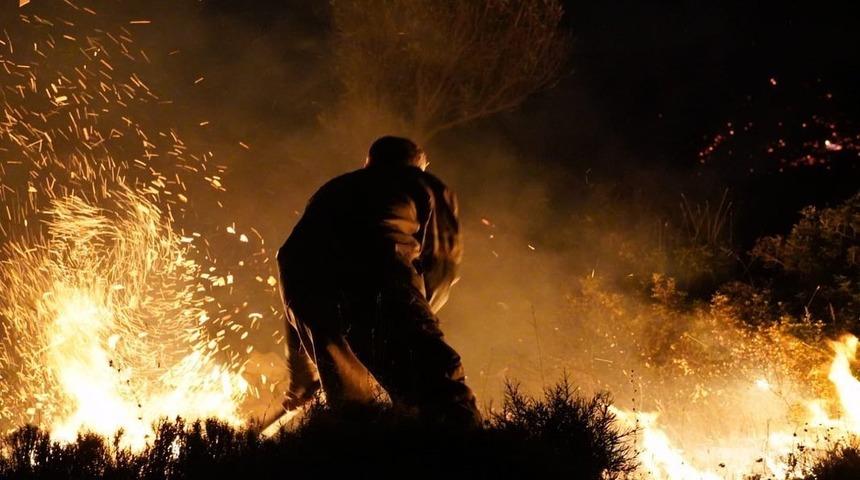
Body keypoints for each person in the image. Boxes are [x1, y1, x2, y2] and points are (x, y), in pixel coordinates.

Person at [276, 136, 481, 427]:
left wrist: (301, 374)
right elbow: (441, 263)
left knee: (353, 410)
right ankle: (480, 462)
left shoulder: (333, 189)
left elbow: (293, 269)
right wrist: (418, 321)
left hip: (305, 294)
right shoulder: (422, 183)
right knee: (440, 385)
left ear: (368, 162)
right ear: (418, 164)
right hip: (376, 282)